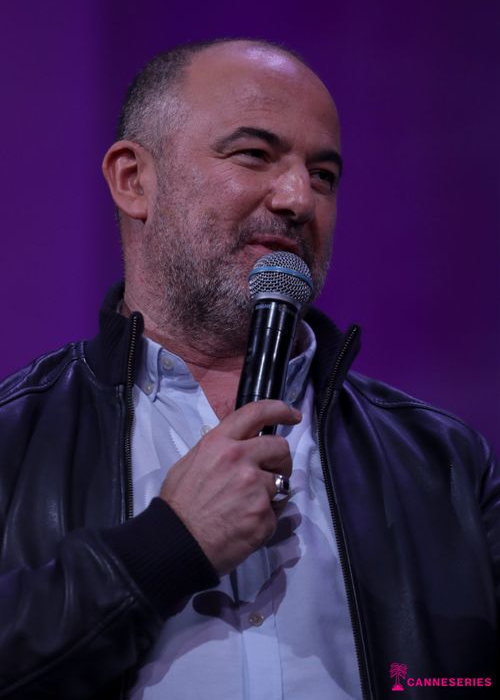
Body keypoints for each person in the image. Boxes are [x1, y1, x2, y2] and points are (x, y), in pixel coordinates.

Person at [0, 38, 498, 699]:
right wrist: (168, 547)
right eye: (255, 155)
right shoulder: (14, 438)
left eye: (323, 175)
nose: (298, 199)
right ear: (133, 180)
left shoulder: (445, 463)